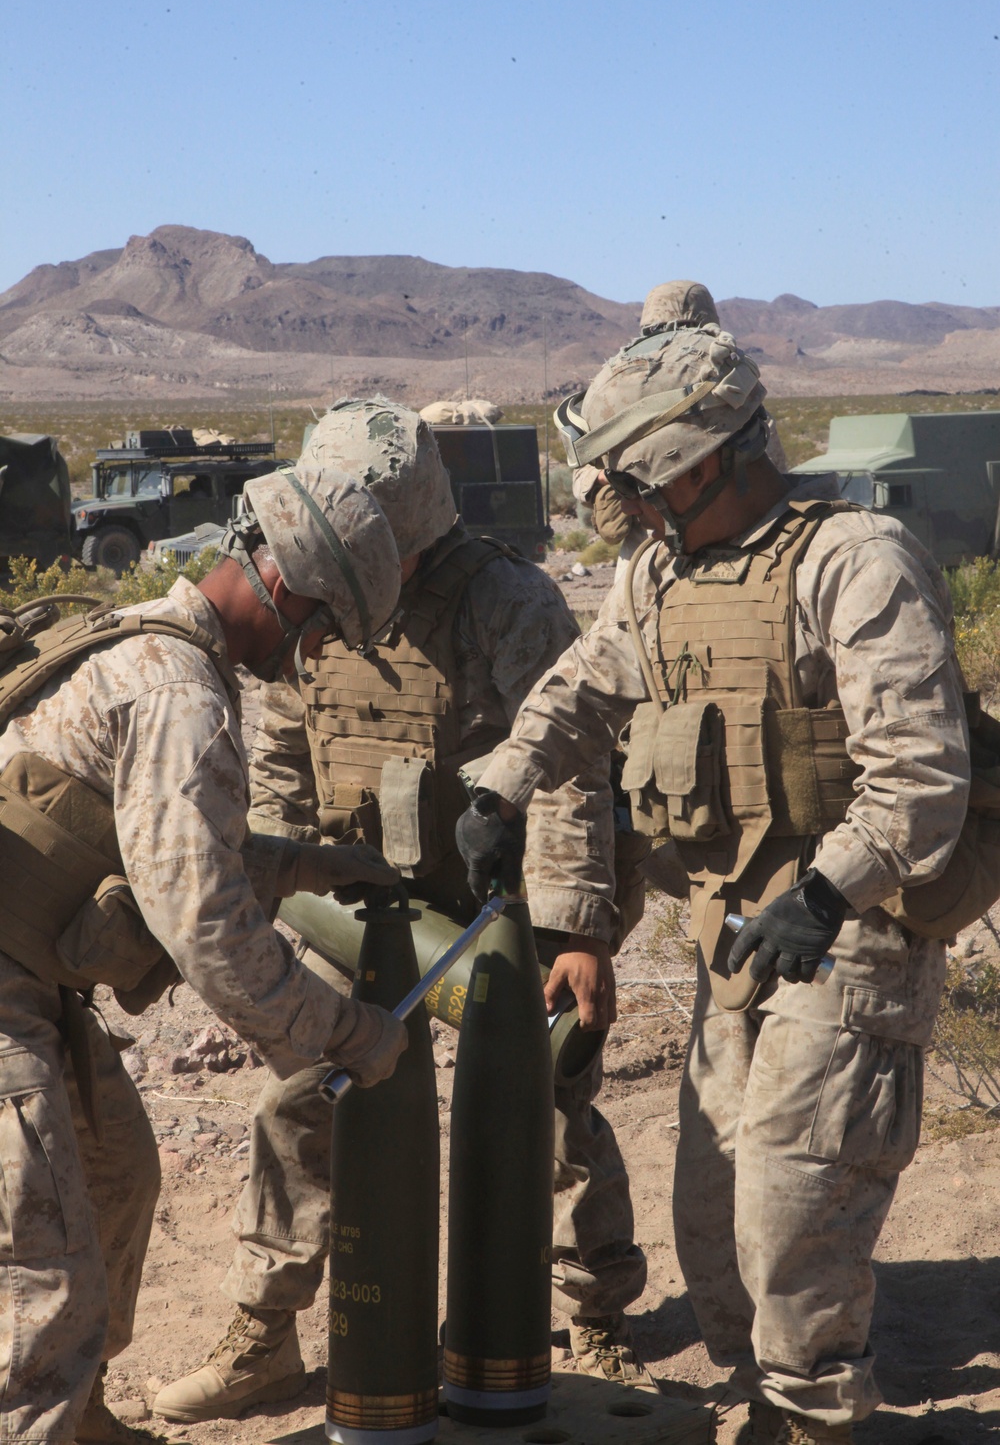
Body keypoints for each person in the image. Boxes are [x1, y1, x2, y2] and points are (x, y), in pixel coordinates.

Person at [456, 326, 969, 1445]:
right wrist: (501, 787)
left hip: (852, 937)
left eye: (644, 480)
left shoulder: (854, 561)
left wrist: (826, 894)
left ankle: (817, 1416)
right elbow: (580, 690)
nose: (627, 505)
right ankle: (767, 1399)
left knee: (792, 1225)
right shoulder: (657, 574)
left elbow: (923, 778)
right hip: (734, 936)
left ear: (705, 458)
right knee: (715, 1229)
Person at [154, 397, 649, 1425]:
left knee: (542, 1103)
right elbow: (288, 750)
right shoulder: (314, 589)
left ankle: (591, 1312)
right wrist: (280, 885)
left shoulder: (506, 601)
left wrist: (576, 930)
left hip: (503, 903)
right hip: (358, 894)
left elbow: (569, 770)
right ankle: (265, 1334)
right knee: (303, 1102)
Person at [0, 459, 408, 1444]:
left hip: (31, 970)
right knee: (39, 1265)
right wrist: (346, 1032)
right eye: (316, 632)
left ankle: (80, 1410)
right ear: (284, 583)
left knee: (114, 1172)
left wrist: (309, 862)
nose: (307, 659)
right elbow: (207, 929)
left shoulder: (155, 644)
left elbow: (157, 846)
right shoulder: (183, 699)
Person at [570, 281, 786, 577]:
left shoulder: (735, 409)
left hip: (716, 552)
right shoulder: (617, 406)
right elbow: (580, 472)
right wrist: (614, 479)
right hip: (646, 557)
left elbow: (764, 483)